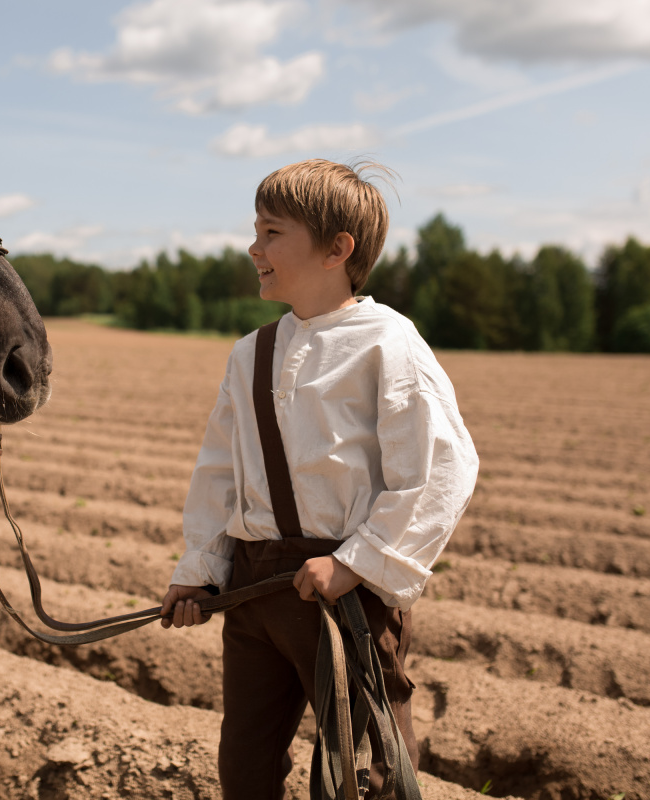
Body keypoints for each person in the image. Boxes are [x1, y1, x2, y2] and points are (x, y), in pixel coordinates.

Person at [159, 159, 480, 799]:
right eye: (256, 230)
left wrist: (358, 563)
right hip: (254, 591)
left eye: (272, 233)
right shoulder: (251, 351)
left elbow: (439, 468)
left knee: (364, 773)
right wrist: (201, 565)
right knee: (243, 768)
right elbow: (222, 468)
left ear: (337, 249)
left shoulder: (388, 343)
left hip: (344, 597)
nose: (254, 248)